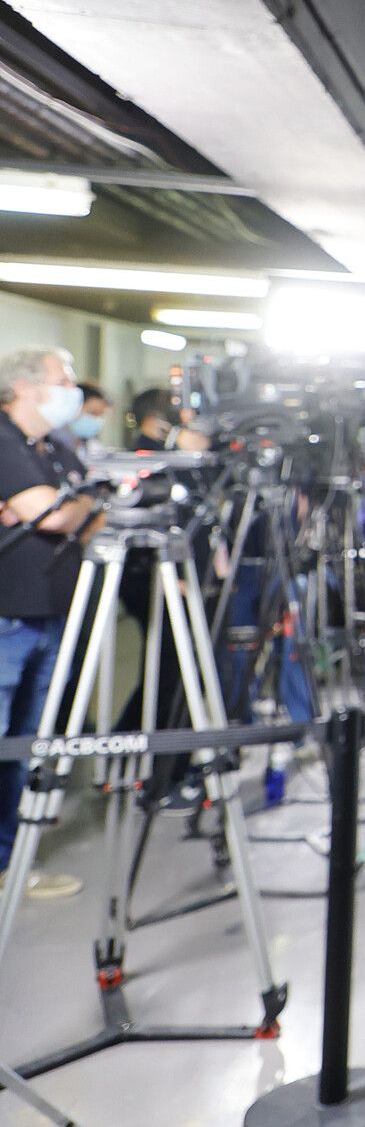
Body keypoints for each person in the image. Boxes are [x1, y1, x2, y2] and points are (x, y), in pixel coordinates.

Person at [0, 347, 96, 900]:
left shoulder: (52, 446)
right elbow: (58, 513)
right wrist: (63, 508)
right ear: (29, 387)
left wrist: (62, 508)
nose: (71, 390)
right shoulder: (4, 440)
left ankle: (12, 862)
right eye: (63, 380)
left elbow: (83, 507)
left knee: (28, 743)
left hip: (52, 611)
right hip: (8, 617)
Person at [52, 382, 112, 458]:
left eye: (101, 415)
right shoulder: (51, 441)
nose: (96, 419)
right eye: (92, 413)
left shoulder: (94, 448)